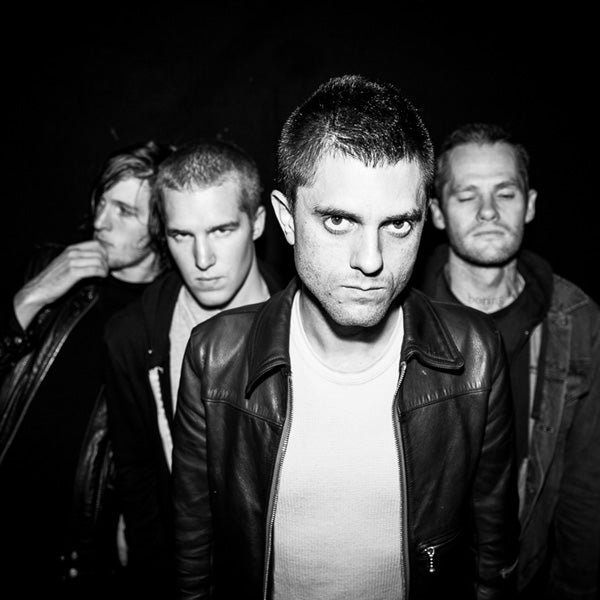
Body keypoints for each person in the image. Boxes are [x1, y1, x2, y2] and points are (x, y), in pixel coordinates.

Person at [171, 75, 520, 600]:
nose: (371, 259)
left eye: (398, 225)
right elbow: (193, 560)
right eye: (338, 220)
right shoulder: (214, 355)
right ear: (287, 219)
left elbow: (492, 556)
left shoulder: (476, 353)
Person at [417, 122, 600, 599]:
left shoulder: (577, 319)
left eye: (506, 193)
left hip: (527, 576)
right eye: (466, 195)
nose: (488, 211)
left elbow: (585, 488)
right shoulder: (400, 321)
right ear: (436, 212)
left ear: (530, 204)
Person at [103, 138, 283, 598]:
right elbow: (136, 472)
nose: (203, 260)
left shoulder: (310, 321)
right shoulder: (133, 335)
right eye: (182, 236)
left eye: (221, 230)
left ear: (258, 222)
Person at [0, 139, 173, 599]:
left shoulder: (170, 317)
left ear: (161, 226)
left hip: (75, 554)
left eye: (125, 211)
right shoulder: (46, 266)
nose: (100, 222)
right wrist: (32, 296)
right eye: (102, 202)